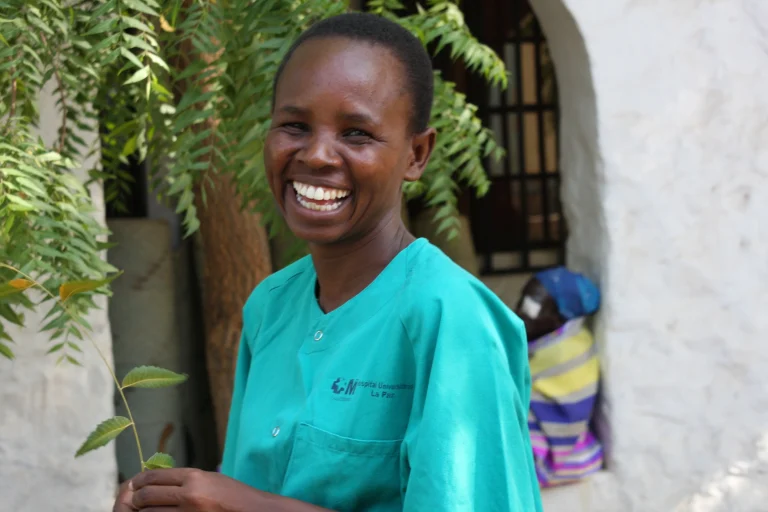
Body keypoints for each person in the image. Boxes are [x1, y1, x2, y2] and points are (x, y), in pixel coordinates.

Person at [115, 12, 542, 512]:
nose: (316, 155)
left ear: (416, 154)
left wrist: (242, 505)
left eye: (356, 133)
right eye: (294, 125)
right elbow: (246, 489)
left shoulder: (451, 318)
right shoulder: (270, 306)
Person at [515, 267, 604, 488]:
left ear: (558, 317)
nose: (519, 311)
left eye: (532, 306)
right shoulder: (543, 341)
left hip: (559, 448)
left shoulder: (565, 350)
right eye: (522, 300)